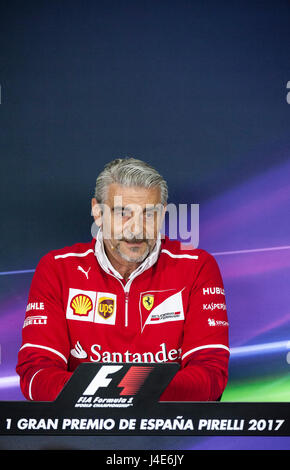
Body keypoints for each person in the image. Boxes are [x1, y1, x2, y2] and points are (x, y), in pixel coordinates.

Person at [16, 157, 229, 401]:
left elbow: (210, 379)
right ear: (98, 213)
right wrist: (140, 389)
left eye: (149, 214)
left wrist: (105, 390)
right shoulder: (58, 269)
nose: (136, 229)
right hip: (80, 435)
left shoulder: (197, 266)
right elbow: (36, 378)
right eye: (122, 213)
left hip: (170, 434)